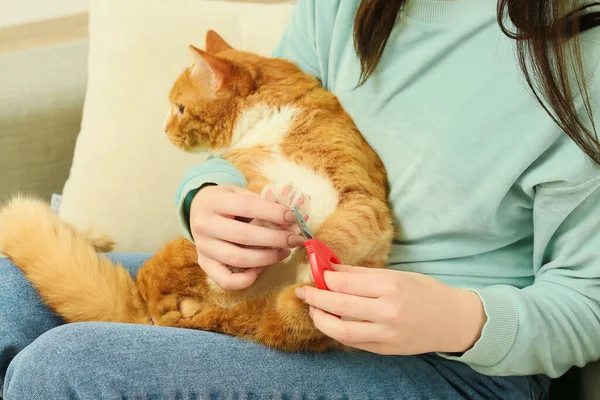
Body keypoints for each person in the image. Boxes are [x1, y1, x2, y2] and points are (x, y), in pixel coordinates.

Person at [2, 0, 599, 398]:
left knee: (64, 367)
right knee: (9, 288)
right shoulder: (345, 6)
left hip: (449, 360)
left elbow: (588, 301)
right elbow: (250, 126)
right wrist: (207, 199)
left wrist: (463, 322)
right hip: (276, 281)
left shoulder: (586, 60)